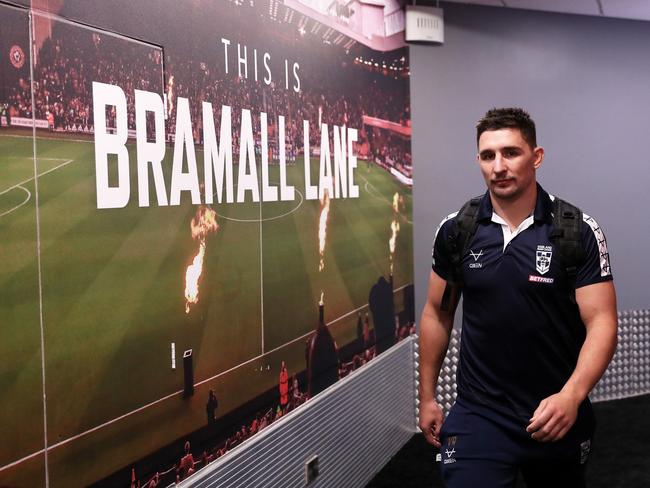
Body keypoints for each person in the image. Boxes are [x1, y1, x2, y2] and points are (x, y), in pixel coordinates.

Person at [418, 108, 617, 488]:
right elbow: (436, 314)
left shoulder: (577, 231)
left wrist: (571, 396)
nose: (499, 166)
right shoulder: (457, 230)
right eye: (488, 155)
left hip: (555, 414)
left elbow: (602, 322)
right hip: (479, 416)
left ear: (536, 156)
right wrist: (427, 396)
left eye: (511, 152)